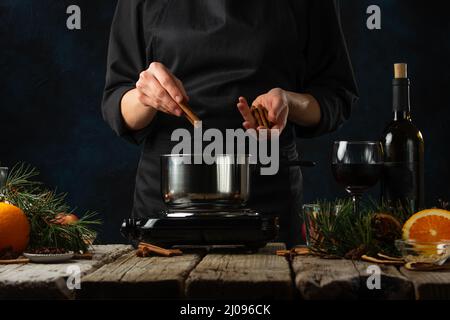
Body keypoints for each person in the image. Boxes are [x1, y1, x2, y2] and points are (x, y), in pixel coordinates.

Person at [102, 0, 358, 247]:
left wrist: (289, 102)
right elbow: (116, 101)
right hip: (167, 212)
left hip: (266, 210)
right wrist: (144, 96)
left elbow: (336, 95)